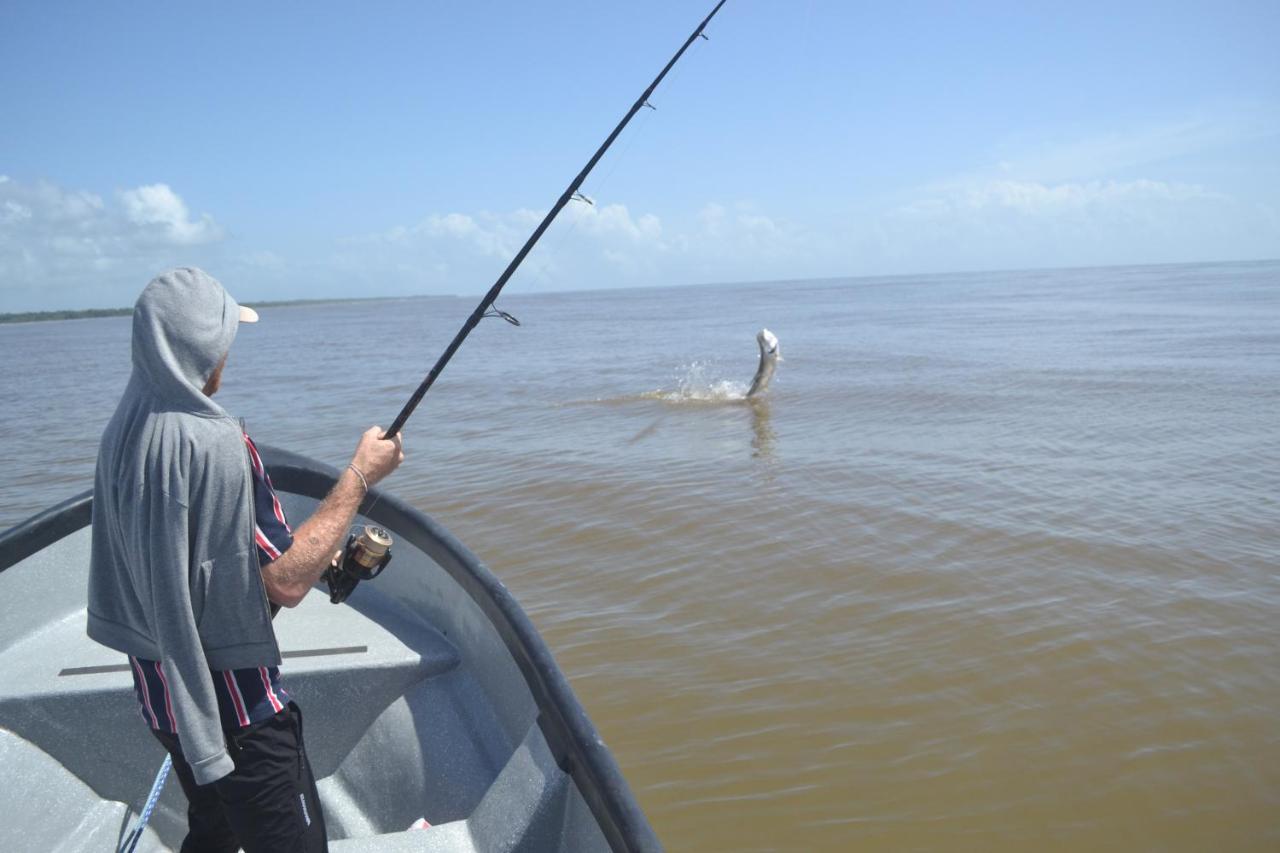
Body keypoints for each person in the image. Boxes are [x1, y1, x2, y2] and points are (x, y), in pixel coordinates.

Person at [87, 267, 404, 852]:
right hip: (238, 711)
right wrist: (359, 476)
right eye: (224, 340)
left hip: (165, 702)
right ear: (203, 347)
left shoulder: (122, 433)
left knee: (215, 828)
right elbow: (283, 583)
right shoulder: (218, 443)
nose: (227, 356)